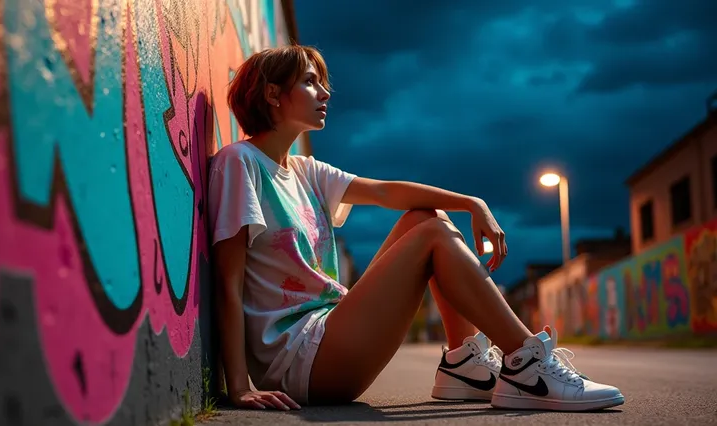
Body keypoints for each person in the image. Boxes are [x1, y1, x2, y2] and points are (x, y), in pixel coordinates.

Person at [208, 44, 625, 413]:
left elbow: (388, 193)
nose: (325, 93)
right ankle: (529, 365)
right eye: (311, 83)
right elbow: (229, 282)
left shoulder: (303, 170)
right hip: (298, 360)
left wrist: (470, 203)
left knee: (428, 218)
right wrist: (239, 387)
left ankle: (465, 366)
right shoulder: (239, 163)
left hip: (328, 332)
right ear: (272, 94)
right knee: (433, 235)